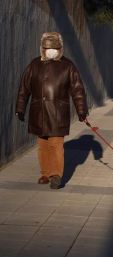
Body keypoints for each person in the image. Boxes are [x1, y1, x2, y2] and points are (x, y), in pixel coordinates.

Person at [15, 32, 88, 189]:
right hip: (39, 112)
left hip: (57, 113)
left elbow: (78, 90)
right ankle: (45, 173)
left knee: (56, 144)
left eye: (55, 47)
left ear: (60, 48)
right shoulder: (34, 65)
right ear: (43, 48)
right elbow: (24, 88)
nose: (51, 50)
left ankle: (56, 175)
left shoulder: (68, 66)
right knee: (42, 145)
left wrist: (81, 110)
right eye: (48, 48)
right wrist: (20, 108)